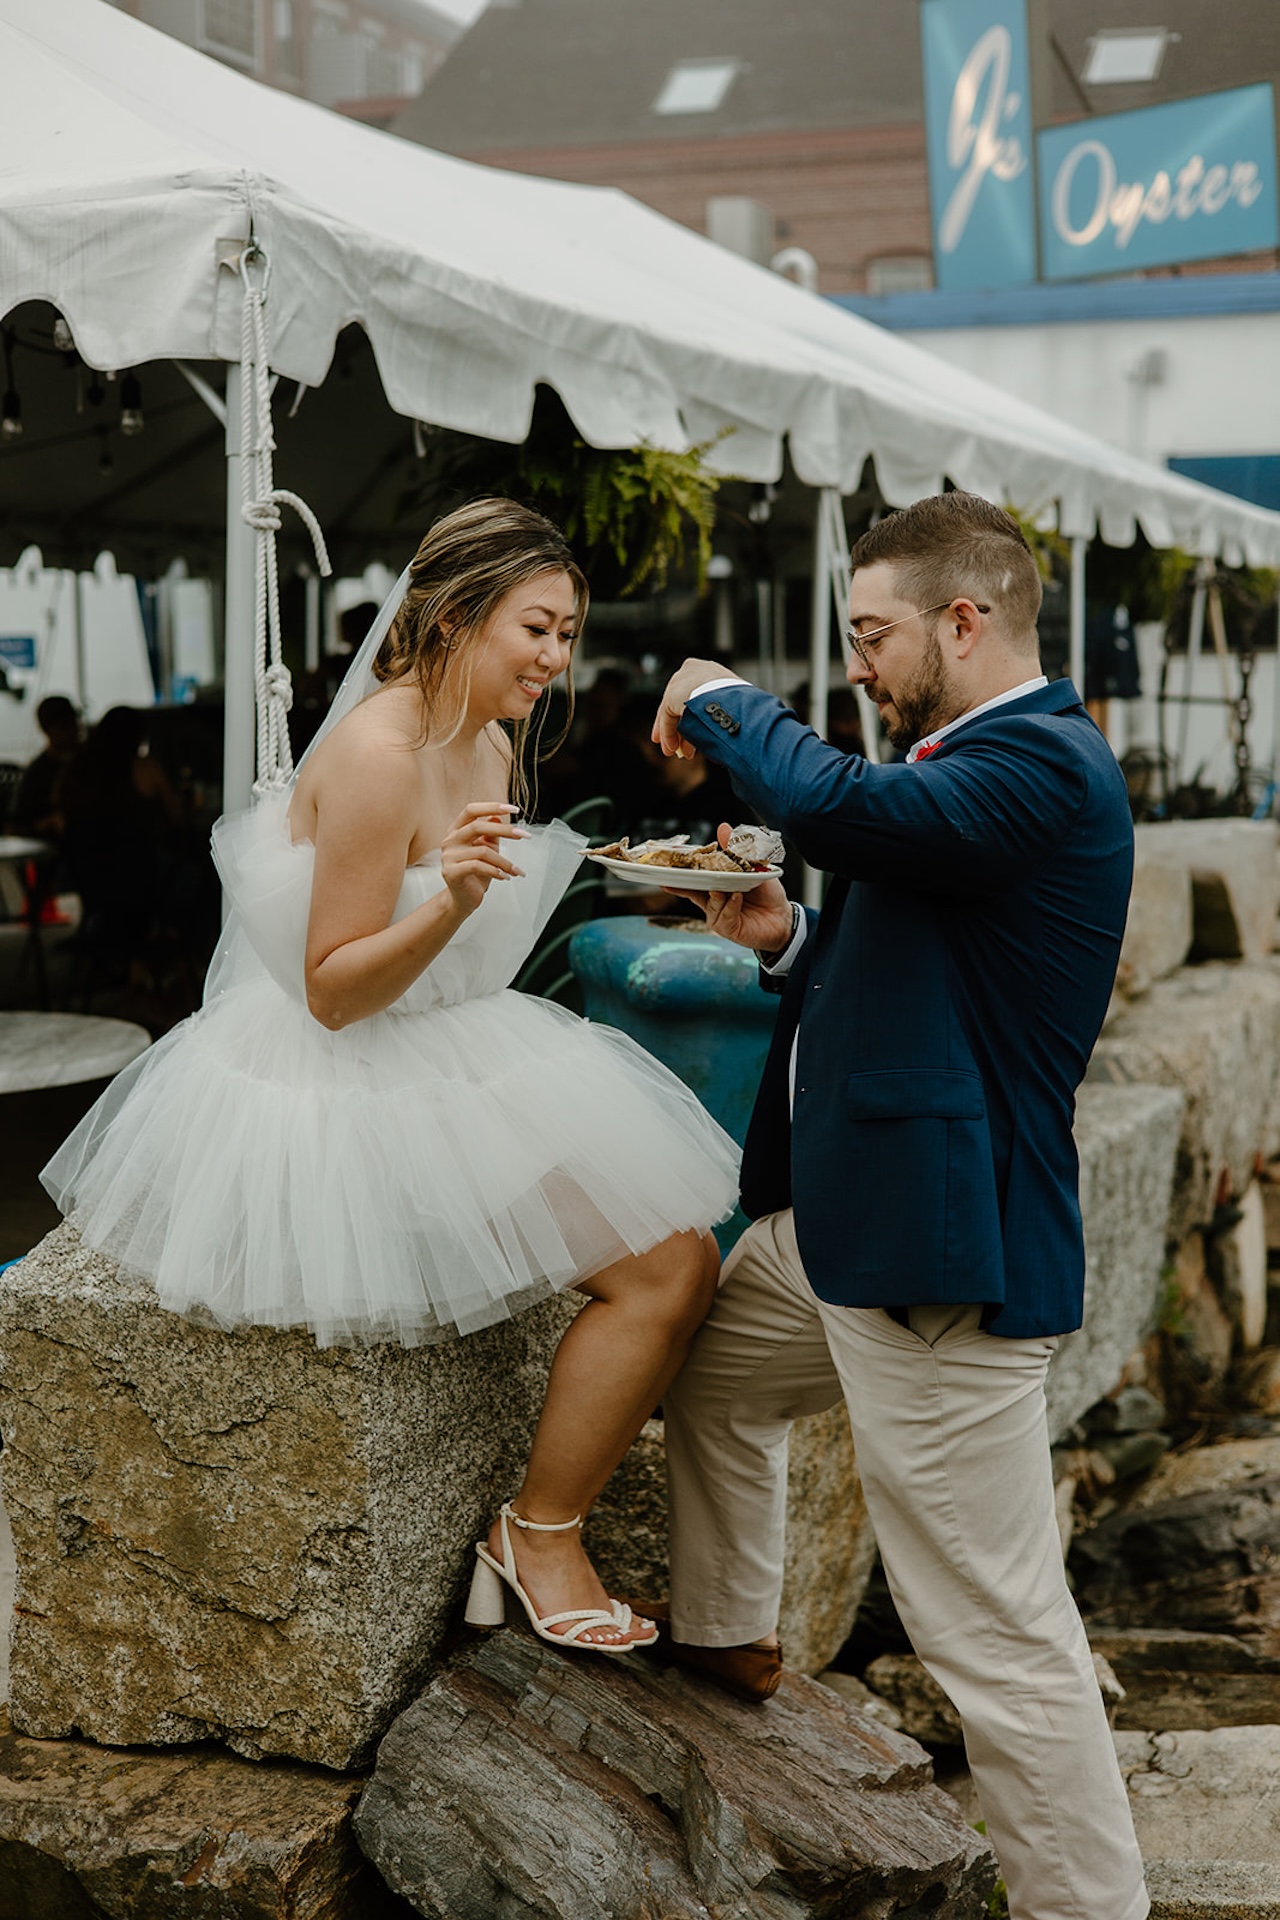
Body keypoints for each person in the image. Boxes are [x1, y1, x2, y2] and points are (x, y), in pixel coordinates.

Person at [43, 498, 738, 1654]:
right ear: (459, 614)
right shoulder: (378, 752)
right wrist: (455, 901)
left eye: (568, 633)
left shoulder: (491, 737)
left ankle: (539, 1530)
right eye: (537, 629)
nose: (557, 658)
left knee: (681, 1257)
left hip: (458, 1042)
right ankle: (537, 1536)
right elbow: (330, 988)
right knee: (667, 1269)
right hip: (351, 1077)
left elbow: (469, 926)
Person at [648, 492, 1147, 1920]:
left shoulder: (1044, 763)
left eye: (871, 634)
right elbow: (927, 968)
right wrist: (792, 935)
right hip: (852, 1234)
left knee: (992, 1635)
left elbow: (834, 805)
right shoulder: (972, 768)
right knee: (702, 1360)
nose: (859, 662)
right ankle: (730, 1633)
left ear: (964, 622)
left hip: (943, 1258)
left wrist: (723, 696)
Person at [11, 693, 80, 838]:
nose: (74, 730)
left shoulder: (87, 760)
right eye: (64, 725)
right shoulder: (38, 773)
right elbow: (17, 826)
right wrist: (49, 823)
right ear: (47, 729)